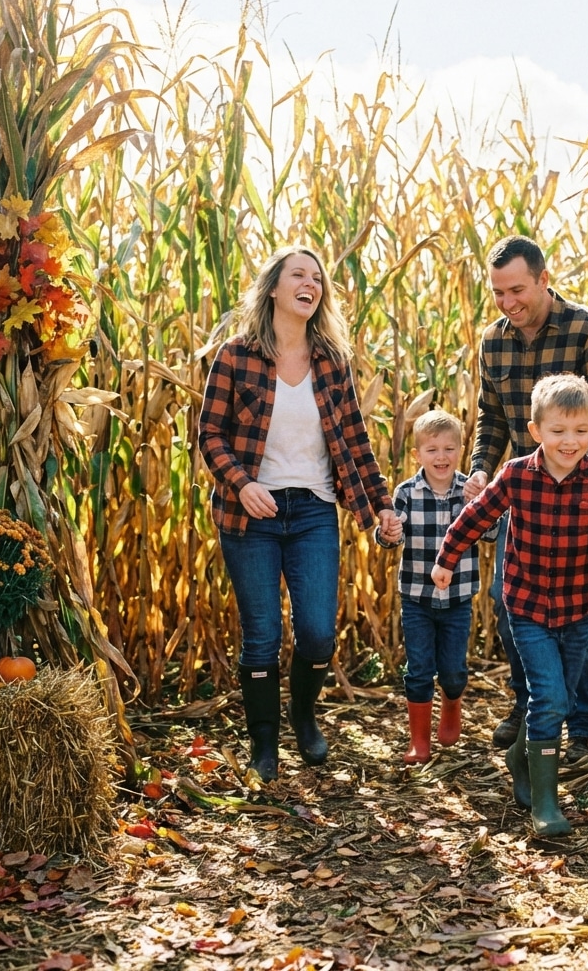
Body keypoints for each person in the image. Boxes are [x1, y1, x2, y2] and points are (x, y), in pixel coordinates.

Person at [198, 246, 401, 784]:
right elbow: (209, 435)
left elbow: (356, 440)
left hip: (313, 511)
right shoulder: (235, 356)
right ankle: (264, 743)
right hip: (251, 518)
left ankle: (304, 715)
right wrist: (241, 486)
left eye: (317, 278)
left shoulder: (331, 360)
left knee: (316, 634)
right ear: (273, 289)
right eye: (298, 275)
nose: (310, 283)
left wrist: (381, 505)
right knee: (261, 634)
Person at [433, 374, 588, 836]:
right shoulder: (516, 473)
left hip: (578, 609)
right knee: (550, 699)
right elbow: (475, 517)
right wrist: (447, 559)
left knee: (563, 698)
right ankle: (546, 805)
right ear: (536, 431)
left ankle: (521, 756)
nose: (569, 441)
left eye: (580, 431)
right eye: (558, 431)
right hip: (528, 607)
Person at [464, 234, 588, 771]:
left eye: (517, 290)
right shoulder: (494, 341)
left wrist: (575, 479)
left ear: (542, 278)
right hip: (524, 496)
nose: (508, 303)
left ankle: (582, 730)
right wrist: (481, 470)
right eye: (498, 293)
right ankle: (531, 703)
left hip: (587, 502)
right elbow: (491, 417)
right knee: (510, 602)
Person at [375, 409, 497, 764]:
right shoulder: (406, 493)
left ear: (460, 450)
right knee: (418, 669)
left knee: (454, 670)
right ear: (417, 455)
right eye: (432, 450)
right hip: (416, 598)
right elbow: (388, 538)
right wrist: (387, 533)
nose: (440, 457)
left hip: (458, 597)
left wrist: (482, 502)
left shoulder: (469, 491)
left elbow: (490, 534)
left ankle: (452, 708)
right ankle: (419, 742)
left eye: (448, 449)